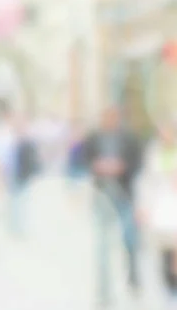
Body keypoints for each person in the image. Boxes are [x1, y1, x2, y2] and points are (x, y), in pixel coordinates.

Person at [83, 105, 142, 306]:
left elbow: (137, 163)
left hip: (123, 195)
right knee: (102, 245)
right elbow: (84, 159)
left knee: (129, 239)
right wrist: (97, 166)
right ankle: (104, 290)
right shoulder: (94, 138)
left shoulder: (129, 139)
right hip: (101, 196)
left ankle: (133, 277)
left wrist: (121, 167)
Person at [137, 121, 177, 303]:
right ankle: (169, 289)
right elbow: (147, 181)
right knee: (164, 251)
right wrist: (143, 206)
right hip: (161, 207)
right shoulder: (153, 153)